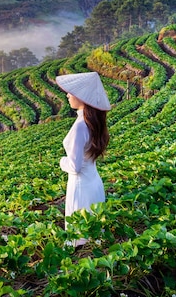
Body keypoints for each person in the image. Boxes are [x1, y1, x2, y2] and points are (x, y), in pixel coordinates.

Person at [55, 71, 111, 246]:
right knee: (93, 234)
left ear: (82, 97)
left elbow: (74, 166)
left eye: (72, 92)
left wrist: (61, 161)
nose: (68, 95)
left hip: (80, 187)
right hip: (94, 183)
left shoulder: (80, 126)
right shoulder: (92, 122)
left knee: (78, 237)